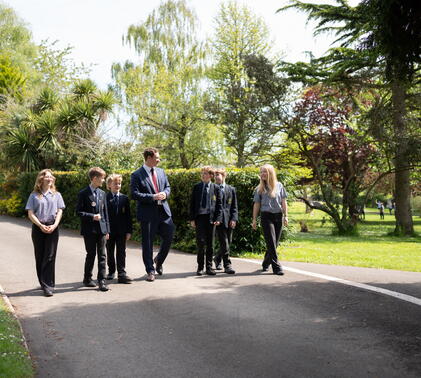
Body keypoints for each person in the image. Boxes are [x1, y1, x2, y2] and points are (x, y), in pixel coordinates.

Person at [130, 148, 175, 282]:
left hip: (164, 212)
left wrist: (165, 194)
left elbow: (168, 187)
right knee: (148, 244)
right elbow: (134, 194)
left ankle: (159, 260)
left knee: (169, 237)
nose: (159, 160)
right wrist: (153, 197)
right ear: (149, 158)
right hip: (148, 215)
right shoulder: (136, 174)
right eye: (157, 157)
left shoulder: (161, 172)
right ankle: (150, 270)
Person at [25, 169, 65, 297]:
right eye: (47, 176)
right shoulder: (34, 195)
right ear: (41, 179)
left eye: (51, 176)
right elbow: (30, 213)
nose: (50, 178)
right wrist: (40, 225)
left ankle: (48, 286)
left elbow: (60, 211)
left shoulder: (57, 195)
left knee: (50, 256)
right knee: (40, 256)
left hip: (53, 227)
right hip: (38, 228)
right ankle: (43, 282)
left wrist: (54, 225)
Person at [76, 167, 110, 292]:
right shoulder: (83, 193)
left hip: (101, 229)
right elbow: (78, 212)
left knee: (102, 255)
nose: (103, 180)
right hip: (89, 230)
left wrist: (107, 230)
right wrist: (92, 216)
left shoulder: (102, 194)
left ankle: (102, 280)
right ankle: (87, 278)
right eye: (102, 178)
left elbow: (105, 213)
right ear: (95, 178)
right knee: (91, 254)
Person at [252, 164, 288, 276]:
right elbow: (256, 204)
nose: (262, 174)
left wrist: (285, 216)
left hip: (278, 216)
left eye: (264, 172)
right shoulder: (259, 189)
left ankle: (266, 262)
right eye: (261, 172)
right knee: (271, 242)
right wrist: (254, 219)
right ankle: (276, 267)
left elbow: (283, 201)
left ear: (270, 173)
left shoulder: (279, 185)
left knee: (275, 243)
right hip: (266, 216)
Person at [189, 166, 222, 276]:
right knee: (200, 243)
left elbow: (219, 205)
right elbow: (192, 204)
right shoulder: (197, 187)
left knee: (210, 244)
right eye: (202, 173)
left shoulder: (216, 188)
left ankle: (209, 267)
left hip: (211, 219)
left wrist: (217, 218)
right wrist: (192, 219)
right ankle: (200, 267)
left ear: (211, 176)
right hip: (200, 218)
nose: (203, 175)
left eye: (205, 173)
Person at [105, 174, 133, 284]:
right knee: (110, 251)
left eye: (119, 183)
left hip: (121, 230)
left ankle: (122, 272)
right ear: (109, 185)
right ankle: (111, 271)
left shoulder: (124, 198)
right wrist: (105, 230)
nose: (118, 185)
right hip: (109, 231)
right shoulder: (105, 198)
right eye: (115, 183)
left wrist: (129, 231)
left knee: (121, 252)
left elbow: (128, 216)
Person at [213, 168, 237, 274]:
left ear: (223, 176)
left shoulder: (231, 189)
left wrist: (233, 219)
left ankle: (217, 258)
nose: (217, 176)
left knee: (228, 242)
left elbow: (234, 206)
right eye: (215, 175)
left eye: (219, 174)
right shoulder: (212, 189)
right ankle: (227, 265)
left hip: (229, 219)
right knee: (224, 242)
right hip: (218, 221)